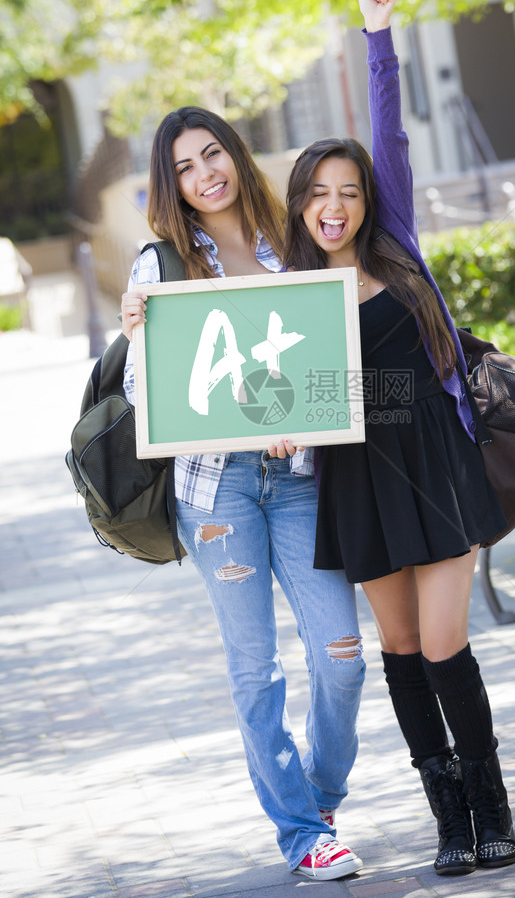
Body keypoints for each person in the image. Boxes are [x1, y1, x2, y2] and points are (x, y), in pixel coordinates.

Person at [272, 0, 515, 878]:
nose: (334, 204)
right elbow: (274, 394)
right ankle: (449, 819)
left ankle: (493, 806)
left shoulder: (397, 244)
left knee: (447, 644)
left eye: (347, 190)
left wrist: (379, 38)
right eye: (317, 194)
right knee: (403, 651)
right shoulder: (294, 295)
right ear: (300, 205)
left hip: (436, 463)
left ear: (366, 198)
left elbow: (391, 132)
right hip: (358, 481)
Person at [119, 107, 365, 881]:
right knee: (255, 667)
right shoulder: (158, 265)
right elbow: (143, 391)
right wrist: (135, 336)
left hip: (294, 485)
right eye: (185, 167)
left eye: (213, 155)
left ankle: (318, 796)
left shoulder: (289, 246)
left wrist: (304, 423)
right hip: (216, 492)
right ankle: (301, 834)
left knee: (344, 657)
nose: (204, 175)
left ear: (236, 156)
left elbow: (323, 367)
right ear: (172, 184)